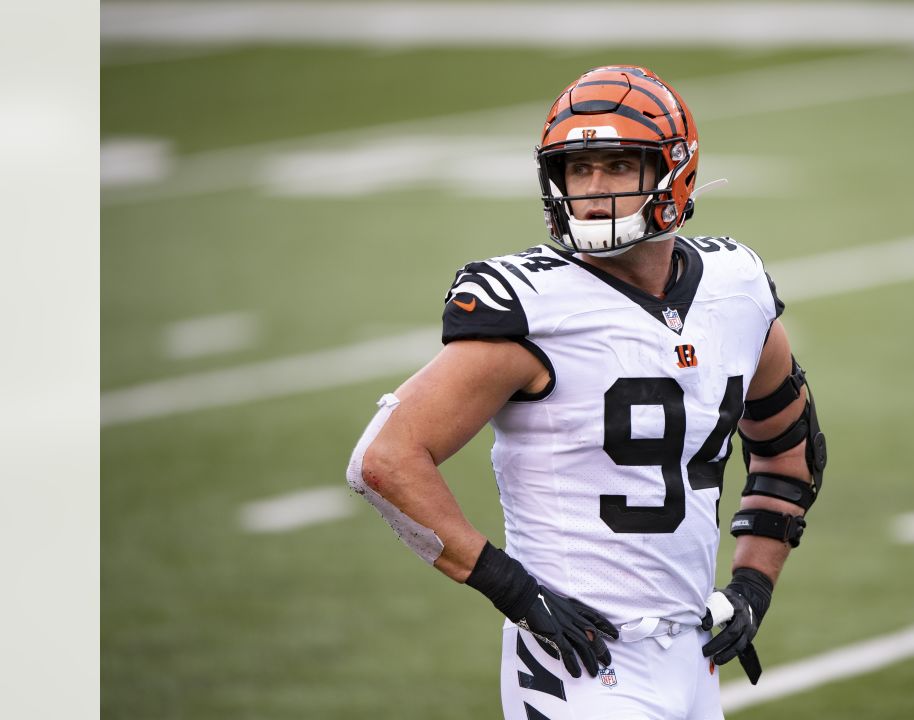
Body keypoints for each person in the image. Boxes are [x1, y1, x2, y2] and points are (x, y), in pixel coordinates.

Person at [346, 65, 827, 719]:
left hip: (692, 653)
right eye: (579, 169)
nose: (595, 191)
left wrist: (751, 587)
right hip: (578, 661)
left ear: (672, 169)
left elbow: (790, 449)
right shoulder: (532, 304)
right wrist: (512, 589)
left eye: (617, 166)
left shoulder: (733, 284)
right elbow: (384, 458)